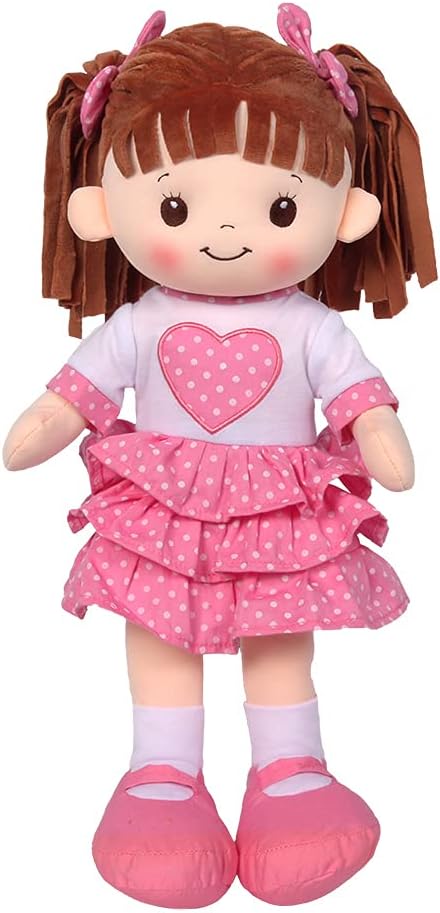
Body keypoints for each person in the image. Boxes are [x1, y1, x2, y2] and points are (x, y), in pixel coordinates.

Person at [3, 4, 436, 907]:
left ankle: (291, 771)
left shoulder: (310, 324)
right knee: (161, 633)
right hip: (164, 514)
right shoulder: (139, 322)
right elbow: (75, 393)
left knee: (278, 637)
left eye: (280, 207)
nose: (227, 235)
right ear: (99, 210)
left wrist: (377, 427)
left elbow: (358, 394)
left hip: (277, 517)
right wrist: (47, 418)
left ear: (348, 212)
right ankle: (162, 775)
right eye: (175, 205)